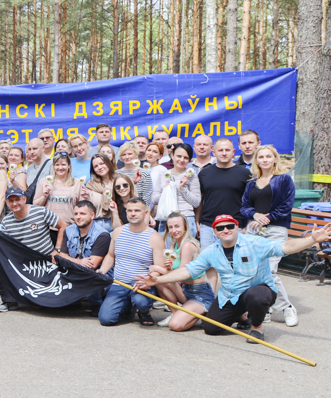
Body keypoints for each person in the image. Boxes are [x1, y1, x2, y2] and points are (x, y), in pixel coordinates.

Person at [137, 216, 331, 342]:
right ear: (215, 232)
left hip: (259, 289)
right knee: (211, 328)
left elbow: (286, 247)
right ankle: (241, 315)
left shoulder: (254, 242)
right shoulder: (212, 251)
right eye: (220, 228)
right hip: (231, 295)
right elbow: (188, 271)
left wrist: (312, 239)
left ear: (237, 228)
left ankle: (257, 327)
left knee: (256, 297)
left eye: (230, 226)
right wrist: (158, 281)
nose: (225, 230)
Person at [241, 144, 298, 326]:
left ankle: (287, 307)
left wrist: (267, 218)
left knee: (270, 271)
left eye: (268, 156)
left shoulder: (284, 180)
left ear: (275, 159)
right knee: (254, 271)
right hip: (254, 231)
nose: (265, 160)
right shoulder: (252, 183)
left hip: (275, 229)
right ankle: (266, 308)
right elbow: (244, 206)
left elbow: (286, 206)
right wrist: (254, 215)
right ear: (256, 160)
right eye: (261, 157)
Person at [95, 198, 165, 327]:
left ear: (145, 212)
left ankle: (144, 311)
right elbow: (111, 255)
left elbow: (159, 268)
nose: (133, 213)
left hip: (140, 283)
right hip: (119, 283)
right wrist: (102, 271)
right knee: (106, 320)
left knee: (141, 302)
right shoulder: (118, 232)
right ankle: (129, 308)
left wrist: (148, 282)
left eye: (137, 210)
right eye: (130, 210)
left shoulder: (154, 237)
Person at [153, 213, 211, 331]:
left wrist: (159, 269)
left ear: (185, 227)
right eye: (171, 227)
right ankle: (175, 313)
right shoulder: (174, 244)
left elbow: (182, 276)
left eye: (177, 226)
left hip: (200, 294)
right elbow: (173, 273)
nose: (174, 230)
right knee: (158, 282)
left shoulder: (187, 245)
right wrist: (168, 268)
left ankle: (202, 313)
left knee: (175, 326)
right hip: (185, 291)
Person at [197, 138, 251, 248]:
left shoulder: (244, 173)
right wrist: (197, 222)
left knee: (234, 262)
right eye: (221, 150)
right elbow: (200, 200)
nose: (224, 153)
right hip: (208, 226)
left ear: (233, 152)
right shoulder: (204, 173)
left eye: (227, 150)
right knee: (208, 262)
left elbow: (250, 201)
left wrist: (248, 225)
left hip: (235, 225)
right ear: (214, 152)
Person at [0, 186, 67, 259]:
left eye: (18, 199)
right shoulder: (6, 222)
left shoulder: (41, 211)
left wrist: (57, 249)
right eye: (11, 201)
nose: (14, 203)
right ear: (7, 203)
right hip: (23, 263)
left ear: (24, 199)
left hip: (46, 259)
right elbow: (6, 246)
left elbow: (63, 225)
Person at [152, 142, 201, 235]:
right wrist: (166, 191)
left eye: (186, 157)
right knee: (167, 249)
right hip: (166, 219)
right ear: (172, 155)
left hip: (186, 218)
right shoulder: (163, 174)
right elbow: (154, 200)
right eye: (179, 156)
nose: (182, 160)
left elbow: (196, 203)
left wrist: (183, 189)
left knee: (186, 249)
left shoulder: (192, 175)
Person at [34, 152, 85, 226]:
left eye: (63, 164)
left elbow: (82, 207)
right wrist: (44, 196)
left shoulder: (77, 183)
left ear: (69, 165)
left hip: (69, 226)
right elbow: (35, 205)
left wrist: (86, 197)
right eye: (57, 164)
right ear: (53, 166)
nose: (60, 168)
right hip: (48, 226)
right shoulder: (45, 181)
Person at [84, 154, 115, 223]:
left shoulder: (119, 180)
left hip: (116, 221)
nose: (100, 167)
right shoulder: (91, 184)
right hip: (96, 222)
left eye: (102, 163)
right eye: (96, 166)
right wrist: (85, 198)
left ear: (108, 163)